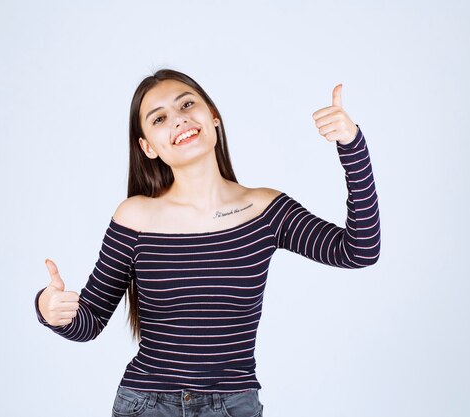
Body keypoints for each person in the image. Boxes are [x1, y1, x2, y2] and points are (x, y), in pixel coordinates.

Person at [34, 69, 381, 417]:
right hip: (148, 404)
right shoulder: (135, 217)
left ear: (213, 116)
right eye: (159, 118)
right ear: (147, 147)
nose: (179, 119)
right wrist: (49, 310)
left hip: (232, 405)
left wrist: (352, 146)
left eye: (187, 104)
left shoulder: (265, 210)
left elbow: (360, 250)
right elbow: (89, 321)